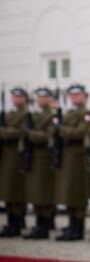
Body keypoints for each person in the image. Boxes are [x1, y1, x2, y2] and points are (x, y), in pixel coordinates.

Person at [54, 84, 90, 241]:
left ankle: (78, 229)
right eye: (72, 95)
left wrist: (61, 129)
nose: (74, 97)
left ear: (84, 96)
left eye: (78, 95)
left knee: (77, 194)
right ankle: (72, 225)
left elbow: (80, 132)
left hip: (78, 156)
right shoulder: (69, 112)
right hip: (67, 156)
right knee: (69, 193)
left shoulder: (86, 113)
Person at [21, 87, 57, 239]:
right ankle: (39, 224)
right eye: (39, 97)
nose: (41, 100)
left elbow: (48, 135)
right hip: (34, 157)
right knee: (36, 192)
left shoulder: (53, 116)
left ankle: (44, 225)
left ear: (49, 99)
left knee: (44, 193)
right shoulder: (34, 115)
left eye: (44, 97)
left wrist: (31, 134)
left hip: (45, 157)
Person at [0, 87, 31, 238]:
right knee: (8, 190)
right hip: (7, 156)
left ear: (25, 98)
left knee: (16, 190)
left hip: (17, 155)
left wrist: (3, 132)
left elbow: (20, 132)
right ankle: (12, 220)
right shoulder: (9, 114)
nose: (16, 99)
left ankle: (16, 222)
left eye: (19, 97)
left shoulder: (26, 114)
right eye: (14, 97)